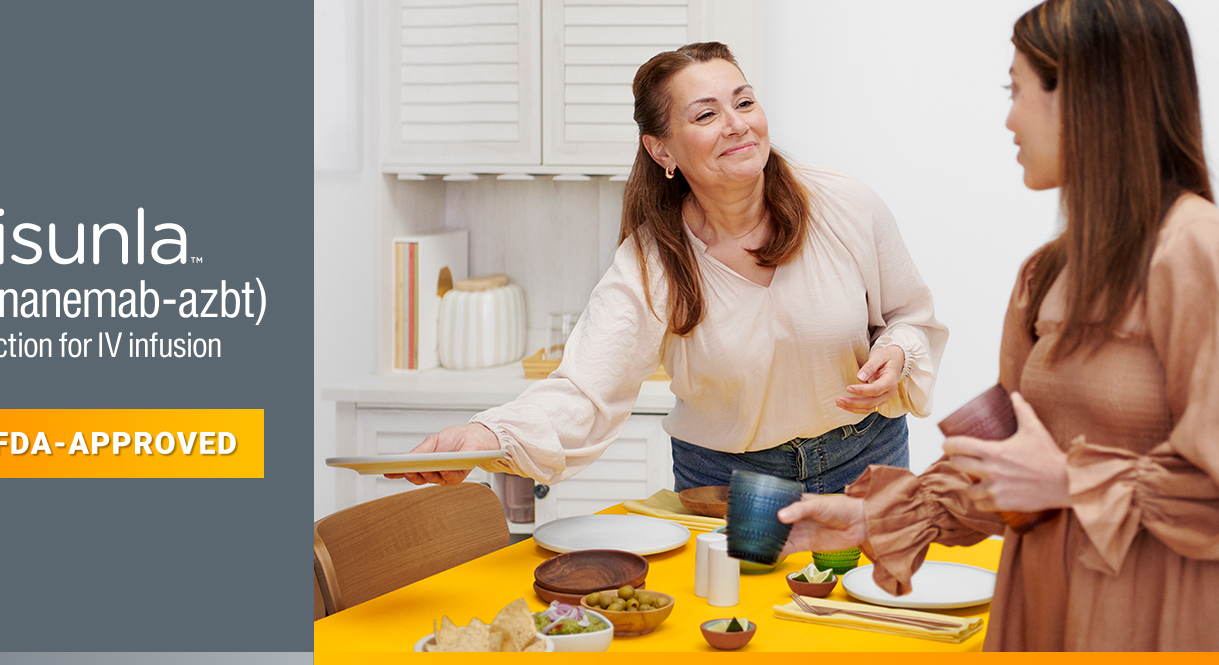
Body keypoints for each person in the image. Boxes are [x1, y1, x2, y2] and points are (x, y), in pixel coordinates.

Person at [778, 0, 1219, 651]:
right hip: (1045, 609)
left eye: (1018, 91)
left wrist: (1070, 481)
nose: (1009, 120)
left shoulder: (1204, 249)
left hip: (1161, 616)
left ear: (1089, 97)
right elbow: (1008, 469)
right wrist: (870, 517)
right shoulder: (1045, 274)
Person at [390, 42, 947, 496]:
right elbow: (585, 390)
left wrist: (896, 352)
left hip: (868, 458)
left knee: (871, 620)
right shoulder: (652, 261)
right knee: (740, 625)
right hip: (729, 484)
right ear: (662, 152)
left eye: (744, 102)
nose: (736, 125)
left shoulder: (843, 203)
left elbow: (909, 317)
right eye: (706, 114)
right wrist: (486, 433)